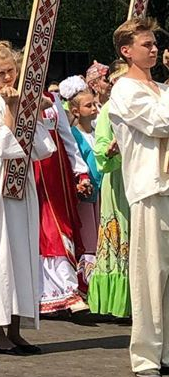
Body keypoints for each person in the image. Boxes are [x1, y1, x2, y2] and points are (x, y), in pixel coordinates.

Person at [0, 41, 56, 355]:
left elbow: (42, 148)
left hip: (22, 184)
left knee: (21, 253)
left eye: (10, 71)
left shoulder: (26, 101)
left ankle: (16, 328)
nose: (5, 78)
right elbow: (3, 144)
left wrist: (25, 108)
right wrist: (11, 109)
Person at [106, 16, 169, 377]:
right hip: (149, 187)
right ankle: (146, 355)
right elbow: (159, 123)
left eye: (156, 44)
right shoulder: (124, 90)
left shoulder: (161, 88)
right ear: (127, 51)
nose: (155, 49)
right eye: (147, 44)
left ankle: (167, 350)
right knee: (149, 273)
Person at [35, 80, 92, 316]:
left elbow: (66, 137)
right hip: (36, 173)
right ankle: (65, 292)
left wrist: (81, 172)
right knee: (47, 231)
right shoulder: (17, 99)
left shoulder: (54, 98)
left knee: (63, 227)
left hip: (59, 175)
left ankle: (64, 291)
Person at [88, 62, 131, 319]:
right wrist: (110, 150)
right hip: (118, 179)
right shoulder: (108, 111)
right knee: (120, 233)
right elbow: (100, 147)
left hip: (141, 175)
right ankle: (120, 300)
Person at [65, 78, 101, 295]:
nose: (94, 109)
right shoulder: (73, 135)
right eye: (89, 105)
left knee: (99, 237)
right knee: (89, 239)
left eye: (95, 104)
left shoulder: (97, 131)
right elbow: (74, 160)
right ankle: (86, 285)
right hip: (85, 193)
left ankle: (98, 284)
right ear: (76, 111)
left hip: (101, 191)